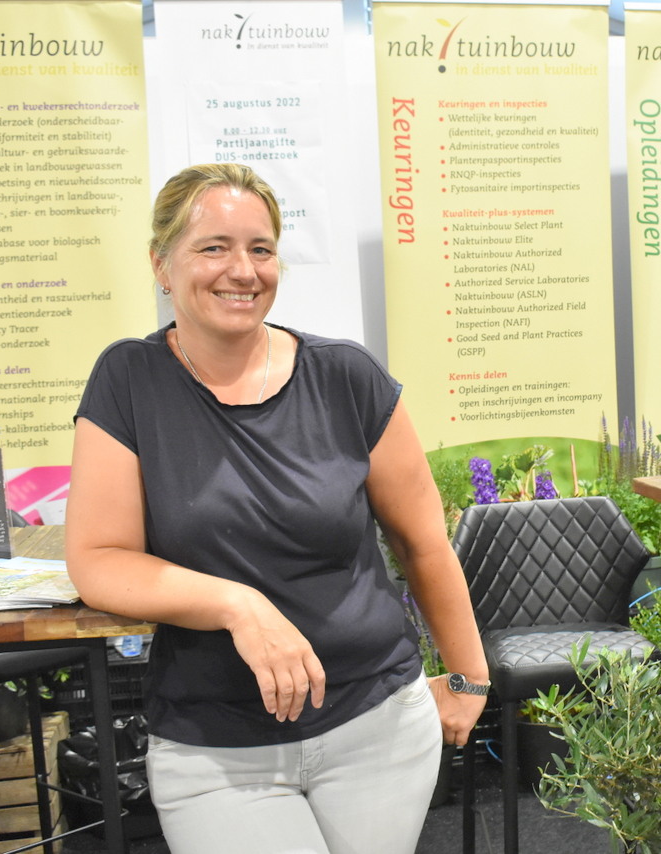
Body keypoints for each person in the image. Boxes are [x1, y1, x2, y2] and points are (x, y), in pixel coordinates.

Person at [65, 163, 490, 854]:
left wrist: (471, 677)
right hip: (216, 750)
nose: (242, 270)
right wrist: (239, 606)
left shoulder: (345, 376)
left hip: (378, 727)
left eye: (260, 249)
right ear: (162, 264)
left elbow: (423, 543)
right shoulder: (129, 381)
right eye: (213, 247)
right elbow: (98, 560)